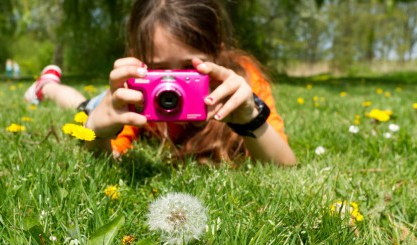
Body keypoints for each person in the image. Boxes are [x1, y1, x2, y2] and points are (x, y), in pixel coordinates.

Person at [24, 0, 296, 165]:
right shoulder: (135, 92)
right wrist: (97, 132)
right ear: (138, 62)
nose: (171, 85)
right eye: (157, 70)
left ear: (218, 54)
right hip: (131, 106)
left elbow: (285, 164)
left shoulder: (242, 83)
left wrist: (250, 118)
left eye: (190, 68)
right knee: (85, 105)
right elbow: (109, 159)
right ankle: (47, 86)